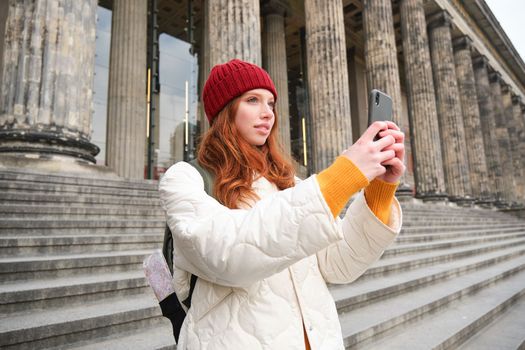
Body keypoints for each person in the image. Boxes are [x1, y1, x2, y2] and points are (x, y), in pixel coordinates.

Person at [159, 58, 404, 350]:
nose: (267, 113)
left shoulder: (291, 184)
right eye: (253, 100)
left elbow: (340, 265)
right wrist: (342, 176)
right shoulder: (186, 178)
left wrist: (380, 190)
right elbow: (227, 253)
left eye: (271, 103)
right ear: (225, 110)